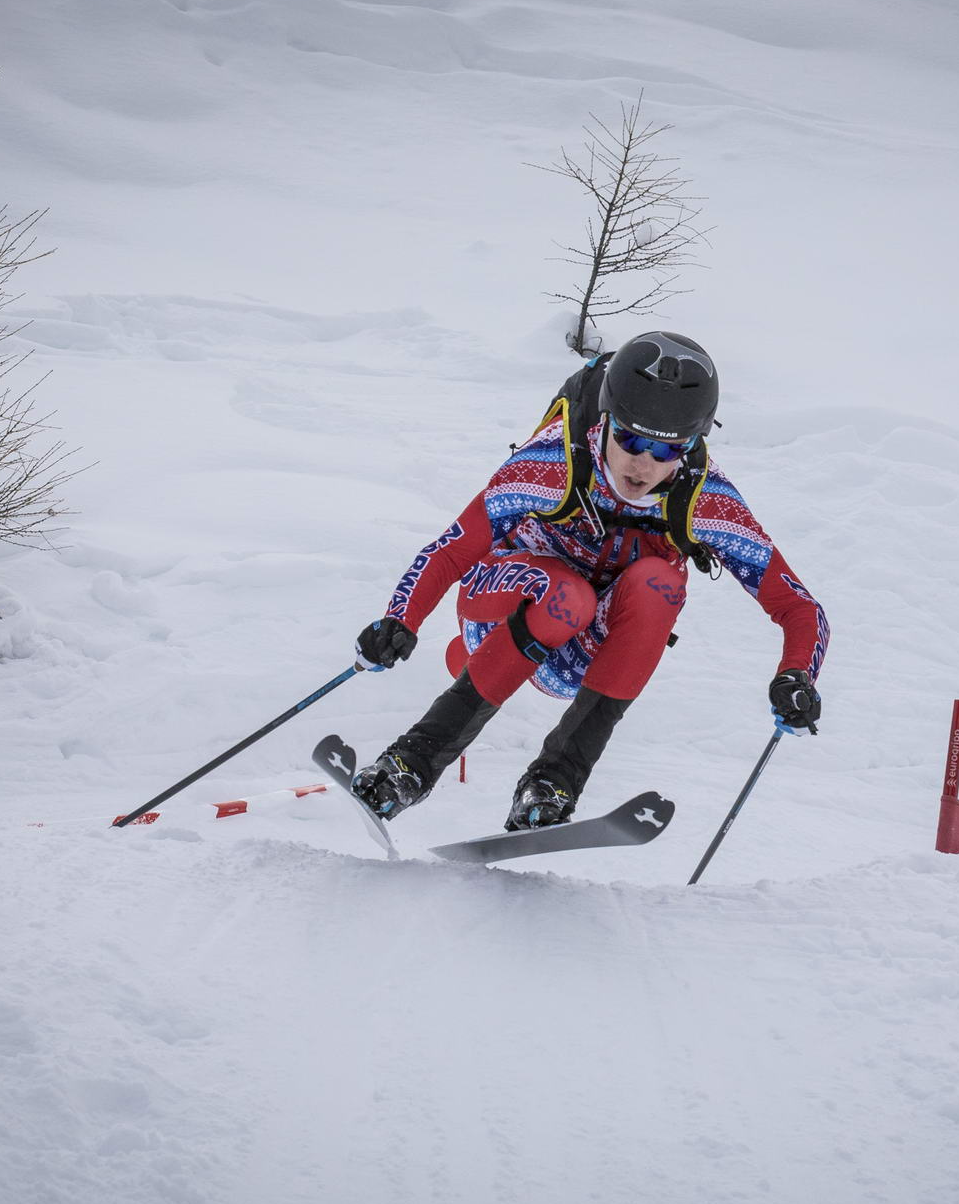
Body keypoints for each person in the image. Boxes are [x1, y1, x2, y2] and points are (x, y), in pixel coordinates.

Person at [349, 330, 829, 832]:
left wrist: (796, 674)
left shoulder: (706, 500)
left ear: (693, 444)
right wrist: (398, 620)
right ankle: (408, 764)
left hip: (582, 657)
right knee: (567, 595)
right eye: (631, 439)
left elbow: (800, 607)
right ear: (605, 420)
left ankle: (552, 783)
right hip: (498, 607)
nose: (643, 464)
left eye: (668, 451)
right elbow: (452, 551)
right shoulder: (552, 464)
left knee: (659, 583)